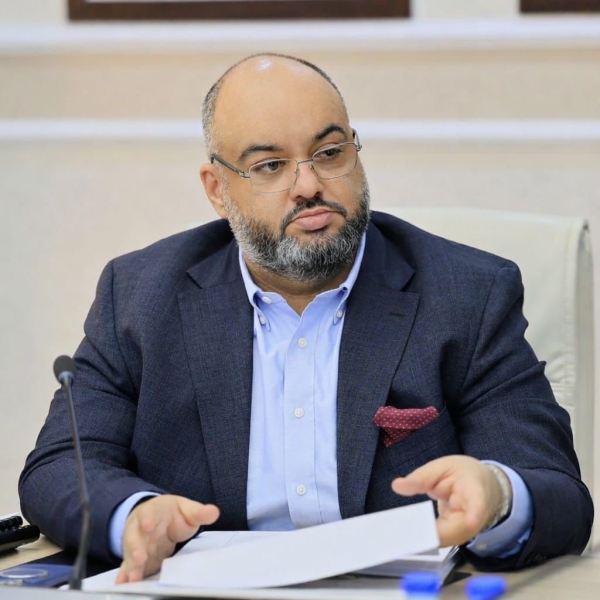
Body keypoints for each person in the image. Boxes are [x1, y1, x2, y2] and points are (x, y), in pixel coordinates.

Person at [19, 54, 593, 584]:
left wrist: (498, 493)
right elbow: (60, 466)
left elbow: (557, 491)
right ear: (217, 190)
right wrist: (134, 516)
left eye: (330, 152)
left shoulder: (467, 295)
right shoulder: (140, 296)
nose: (310, 185)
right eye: (270, 165)